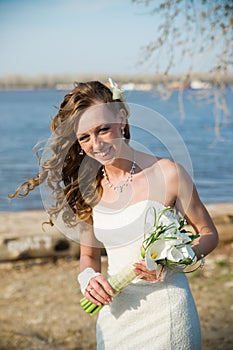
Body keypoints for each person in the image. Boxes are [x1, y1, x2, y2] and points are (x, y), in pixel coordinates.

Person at [10, 79, 218, 349]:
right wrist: (88, 279)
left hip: (167, 314)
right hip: (115, 318)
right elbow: (89, 256)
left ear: (122, 118)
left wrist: (173, 260)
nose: (96, 144)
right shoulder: (89, 189)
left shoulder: (169, 174)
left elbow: (209, 234)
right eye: (84, 137)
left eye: (103, 130)